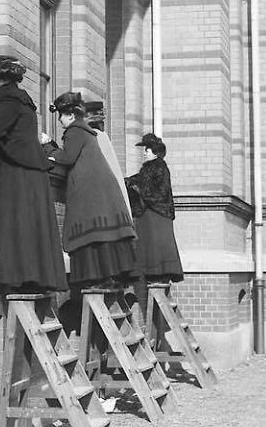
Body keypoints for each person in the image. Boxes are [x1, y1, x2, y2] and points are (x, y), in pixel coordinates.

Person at [0, 55, 67, 293]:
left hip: (17, 170)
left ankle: (23, 279)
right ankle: (35, 278)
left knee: (16, 222)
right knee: (33, 224)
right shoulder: (20, 99)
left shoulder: (6, 98)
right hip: (32, 170)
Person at [45, 91, 137, 288]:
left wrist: (48, 149)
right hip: (103, 191)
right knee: (106, 236)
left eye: (61, 115)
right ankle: (111, 278)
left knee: (93, 234)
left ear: (70, 115)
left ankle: (98, 278)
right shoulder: (88, 132)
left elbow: (67, 157)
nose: (60, 120)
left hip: (89, 192)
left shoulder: (74, 131)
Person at [125, 133, 184, 283]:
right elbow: (137, 180)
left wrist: (139, 190)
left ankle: (158, 274)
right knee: (150, 245)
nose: (144, 152)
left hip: (157, 214)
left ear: (155, 152)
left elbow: (160, 191)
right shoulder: (150, 168)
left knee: (156, 245)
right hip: (150, 215)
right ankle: (154, 273)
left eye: (147, 150)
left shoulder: (159, 168)